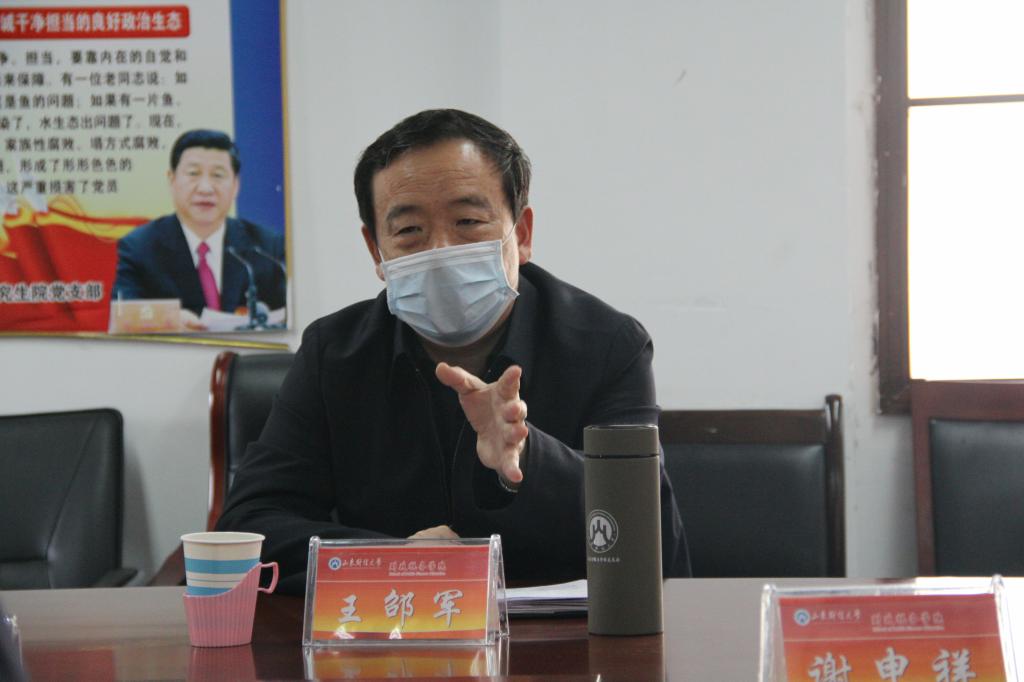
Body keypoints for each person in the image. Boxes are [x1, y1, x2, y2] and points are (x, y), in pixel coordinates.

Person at [217, 109, 689, 593]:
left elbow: (654, 544)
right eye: (409, 231)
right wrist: (399, 561)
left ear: (522, 234)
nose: (440, 251)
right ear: (375, 250)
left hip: (557, 636)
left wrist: (527, 456)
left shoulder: (607, 345)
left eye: (468, 221)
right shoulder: (333, 354)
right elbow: (249, 527)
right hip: (390, 629)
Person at [112, 129, 286, 329]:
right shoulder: (139, 248)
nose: (205, 188)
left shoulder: (266, 247)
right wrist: (168, 320)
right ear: (172, 180)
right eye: (193, 174)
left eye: (218, 175)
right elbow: (122, 316)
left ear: (236, 185)